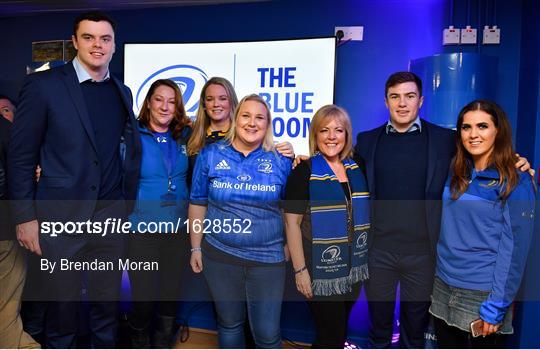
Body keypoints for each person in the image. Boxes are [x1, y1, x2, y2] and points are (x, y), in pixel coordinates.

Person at [354, 71, 533, 348]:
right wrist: (305, 162)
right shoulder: (366, 141)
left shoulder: (445, 139)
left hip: (424, 256)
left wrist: (518, 162)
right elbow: (341, 168)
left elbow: (484, 151)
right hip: (379, 254)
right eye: (395, 97)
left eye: (410, 96)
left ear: (421, 100)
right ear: (386, 102)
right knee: (378, 330)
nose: (402, 103)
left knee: (415, 333)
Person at [7, 11, 141, 348]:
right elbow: (21, 157)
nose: (98, 45)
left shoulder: (121, 91)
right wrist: (25, 217)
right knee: (62, 308)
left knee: (106, 306)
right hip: (60, 218)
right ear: (74, 42)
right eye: (89, 37)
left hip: (110, 215)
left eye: (105, 39)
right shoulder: (44, 87)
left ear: (114, 45)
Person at [429, 100, 536, 348]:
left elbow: (515, 252)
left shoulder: (516, 181)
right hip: (443, 286)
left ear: (498, 131)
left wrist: (496, 305)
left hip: (482, 296)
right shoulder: (456, 170)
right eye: (466, 127)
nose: (473, 134)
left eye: (483, 126)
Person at [189, 94, 292, 348]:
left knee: (267, 334)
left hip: (267, 259)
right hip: (220, 255)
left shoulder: (281, 161)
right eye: (246, 115)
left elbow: (290, 212)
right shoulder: (211, 155)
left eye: (260, 118)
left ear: (268, 125)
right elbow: (198, 202)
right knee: (229, 324)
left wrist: (289, 247)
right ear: (235, 119)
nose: (252, 123)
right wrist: (195, 247)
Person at [284, 105, 370, 348]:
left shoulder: (358, 167)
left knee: (335, 332)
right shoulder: (303, 171)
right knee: (331, 334)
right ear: (315, 135)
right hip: (318, 266)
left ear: (347, 135)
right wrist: (300, 271)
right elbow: (292, 224)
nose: (332, 137)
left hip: (353, 265)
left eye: (338, 130)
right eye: (324, 130)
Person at [127, 79, 191, 348]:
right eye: (159, 99)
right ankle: (138, 340)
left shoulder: (186, 137)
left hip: (177, 231)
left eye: (171, 101)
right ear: (149, 103)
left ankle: (163, 342)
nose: (165, 106)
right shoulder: (132, 137)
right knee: (143, 296)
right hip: (142, 231)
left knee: (170, 294)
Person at [0, 109, 40, 349]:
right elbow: (20, 171)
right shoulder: (6, 128)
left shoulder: (6, 129)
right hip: (6, 229)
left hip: (5, 233)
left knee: (6, 319)